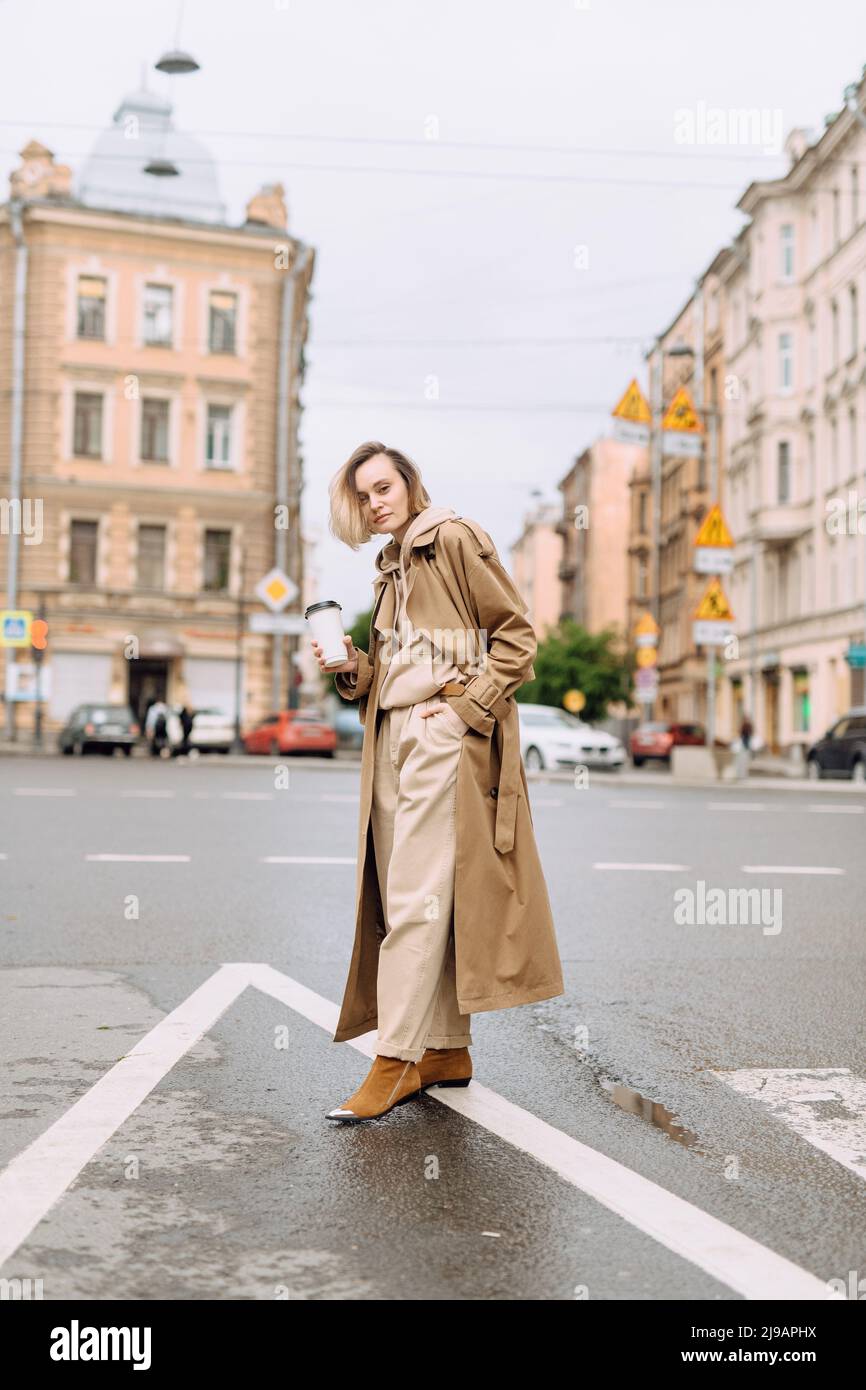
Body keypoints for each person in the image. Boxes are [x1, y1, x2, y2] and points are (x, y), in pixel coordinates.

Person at [312, 441, 564, 1124]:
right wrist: (351, 668)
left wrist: (462, 711)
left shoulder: (451, 538)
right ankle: (446, 1050)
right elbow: (401, 670)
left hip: (436, 743)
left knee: (415, 899)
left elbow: (516, 636)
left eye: (384, 486)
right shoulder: (390, 565)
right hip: (392, 739)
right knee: (413, 900)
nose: (375, 502)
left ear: (410, 483)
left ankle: (394, 1060)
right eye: (363, 495)